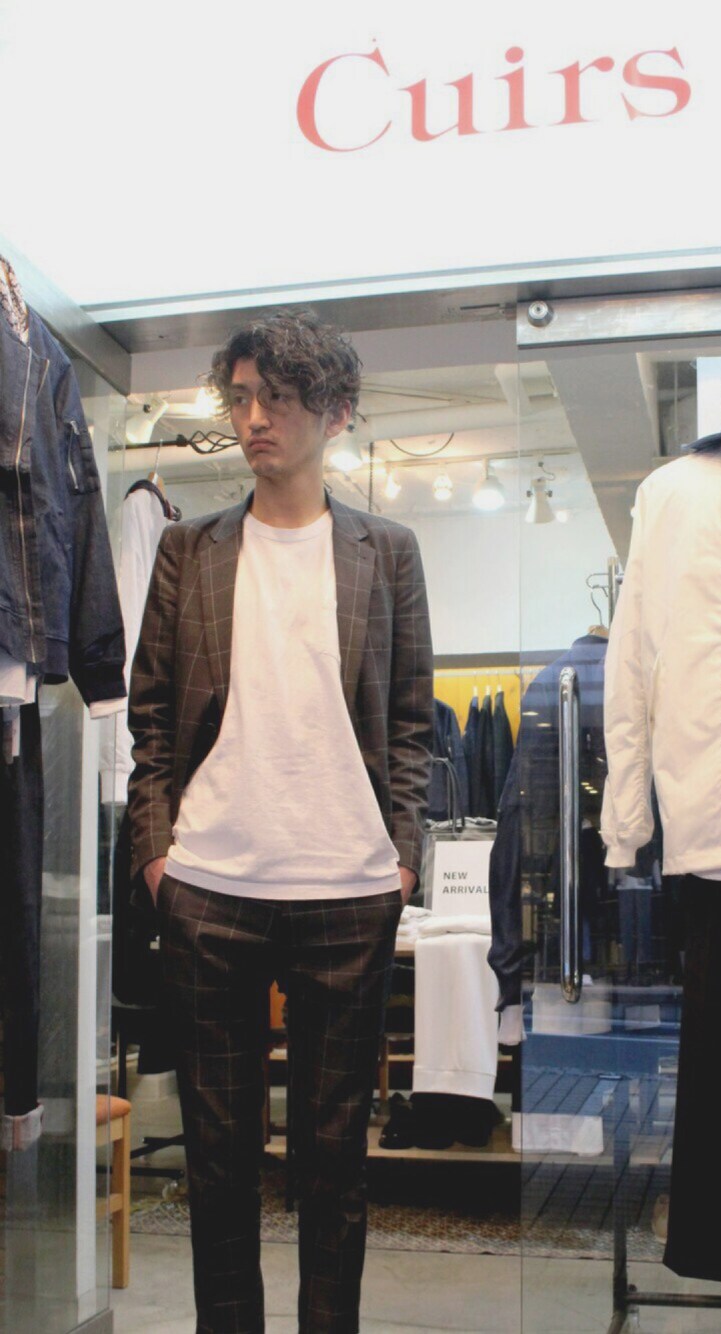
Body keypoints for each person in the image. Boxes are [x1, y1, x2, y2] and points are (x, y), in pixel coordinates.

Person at [127, 309, 434, 1332]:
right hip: (211, 887)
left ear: (335, 413)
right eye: (243, 397)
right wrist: (159, 855)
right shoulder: (190, 548)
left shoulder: (387, 552)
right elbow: (153, 719)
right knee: (218, 1163)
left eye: (280, 398)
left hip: (350, 888)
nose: (254, 418)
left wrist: (401, 856)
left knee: (334, 1163)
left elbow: (412, 722)